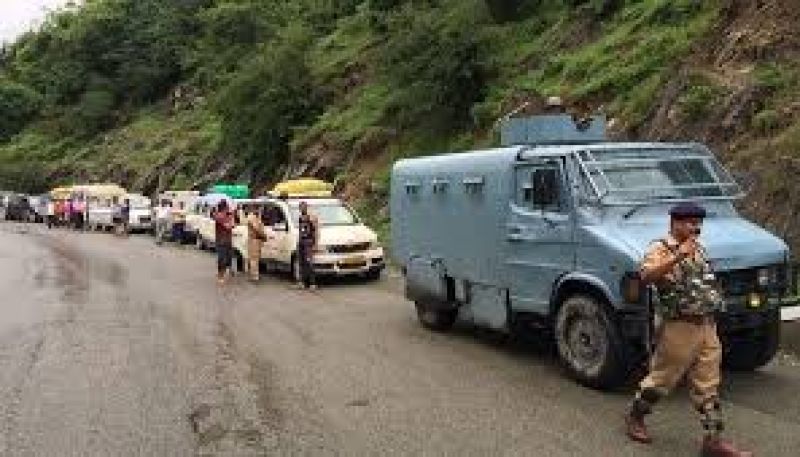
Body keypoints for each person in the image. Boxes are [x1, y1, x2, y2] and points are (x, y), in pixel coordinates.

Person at [625, 202, 752, 457]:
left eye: (698, 223)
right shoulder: (660, 248)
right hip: (679, 327)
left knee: (708, 385)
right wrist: (678, 255)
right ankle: (635, 417)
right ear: (675, 223)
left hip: (706, 325)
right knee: (661, 379)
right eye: (690, 223)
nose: (696, 227)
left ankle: (713, 441)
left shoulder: (699, 250)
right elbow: (647, 277)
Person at [296, 201, 319, 290]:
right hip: (301, 241)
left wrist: (315, 244)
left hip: (308, 242)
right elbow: (300, 230)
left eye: (303, 207)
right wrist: (298, 241)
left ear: (306, 207)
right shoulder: (300, 217)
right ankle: (301, 282)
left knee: (309, 263)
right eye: (300, 207)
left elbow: (316, 231)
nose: (301, 209)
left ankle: (312, 283)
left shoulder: (312, 217)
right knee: (301, 263)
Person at [213, 199, 236, 285]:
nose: (228, 208)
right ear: (224, 207)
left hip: (228, 240)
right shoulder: (218, 216)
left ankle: (227, 271)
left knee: (229, 257)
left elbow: (233, 225)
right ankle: (220, 276)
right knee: (222, 258)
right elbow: (228, 226)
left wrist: (231, 217)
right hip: (221, 241)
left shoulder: (227, 215)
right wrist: (231, 218)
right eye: (227, 207)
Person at [246, 205, 269, 282]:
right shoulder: (251, 217)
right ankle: (254, 276)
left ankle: (255, 274)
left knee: (256, 258)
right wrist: (264, 236)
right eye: (258, 209)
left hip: (257, 240)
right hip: (254, 240)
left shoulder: (257, 217)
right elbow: (256, 229)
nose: (259, 211)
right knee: (254, 258)